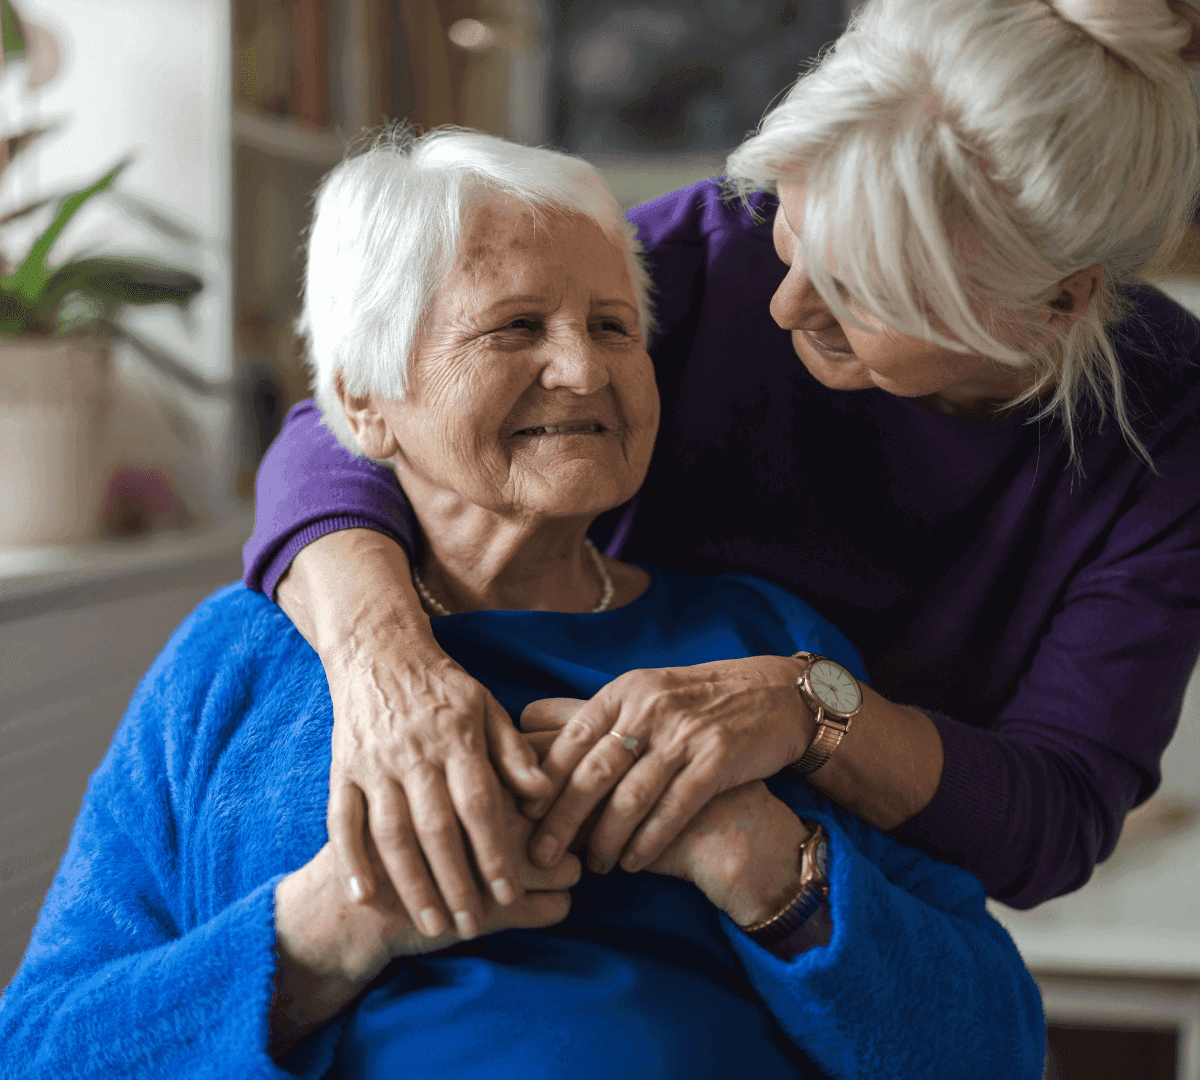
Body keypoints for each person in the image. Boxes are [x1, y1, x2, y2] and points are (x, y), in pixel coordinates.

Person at [0, 131, 1044, 1078]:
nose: (584, 366)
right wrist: (332, 929)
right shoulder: (237, 660)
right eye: (513, 329)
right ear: (363, 401)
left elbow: (995, 1046)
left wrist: (758, 857)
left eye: (613, 325)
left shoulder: (765, 647)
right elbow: (42, 1051)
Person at [244, 0, 1200, 931]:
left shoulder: (1169, 428)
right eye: (791, 227)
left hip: (850, 896)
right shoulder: (710, 248)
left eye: (863, 292)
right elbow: (349, 419)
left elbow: (1057, 818)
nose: (785, 308)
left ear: (1056, 305)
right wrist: (391, 673)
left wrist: (811, 712)